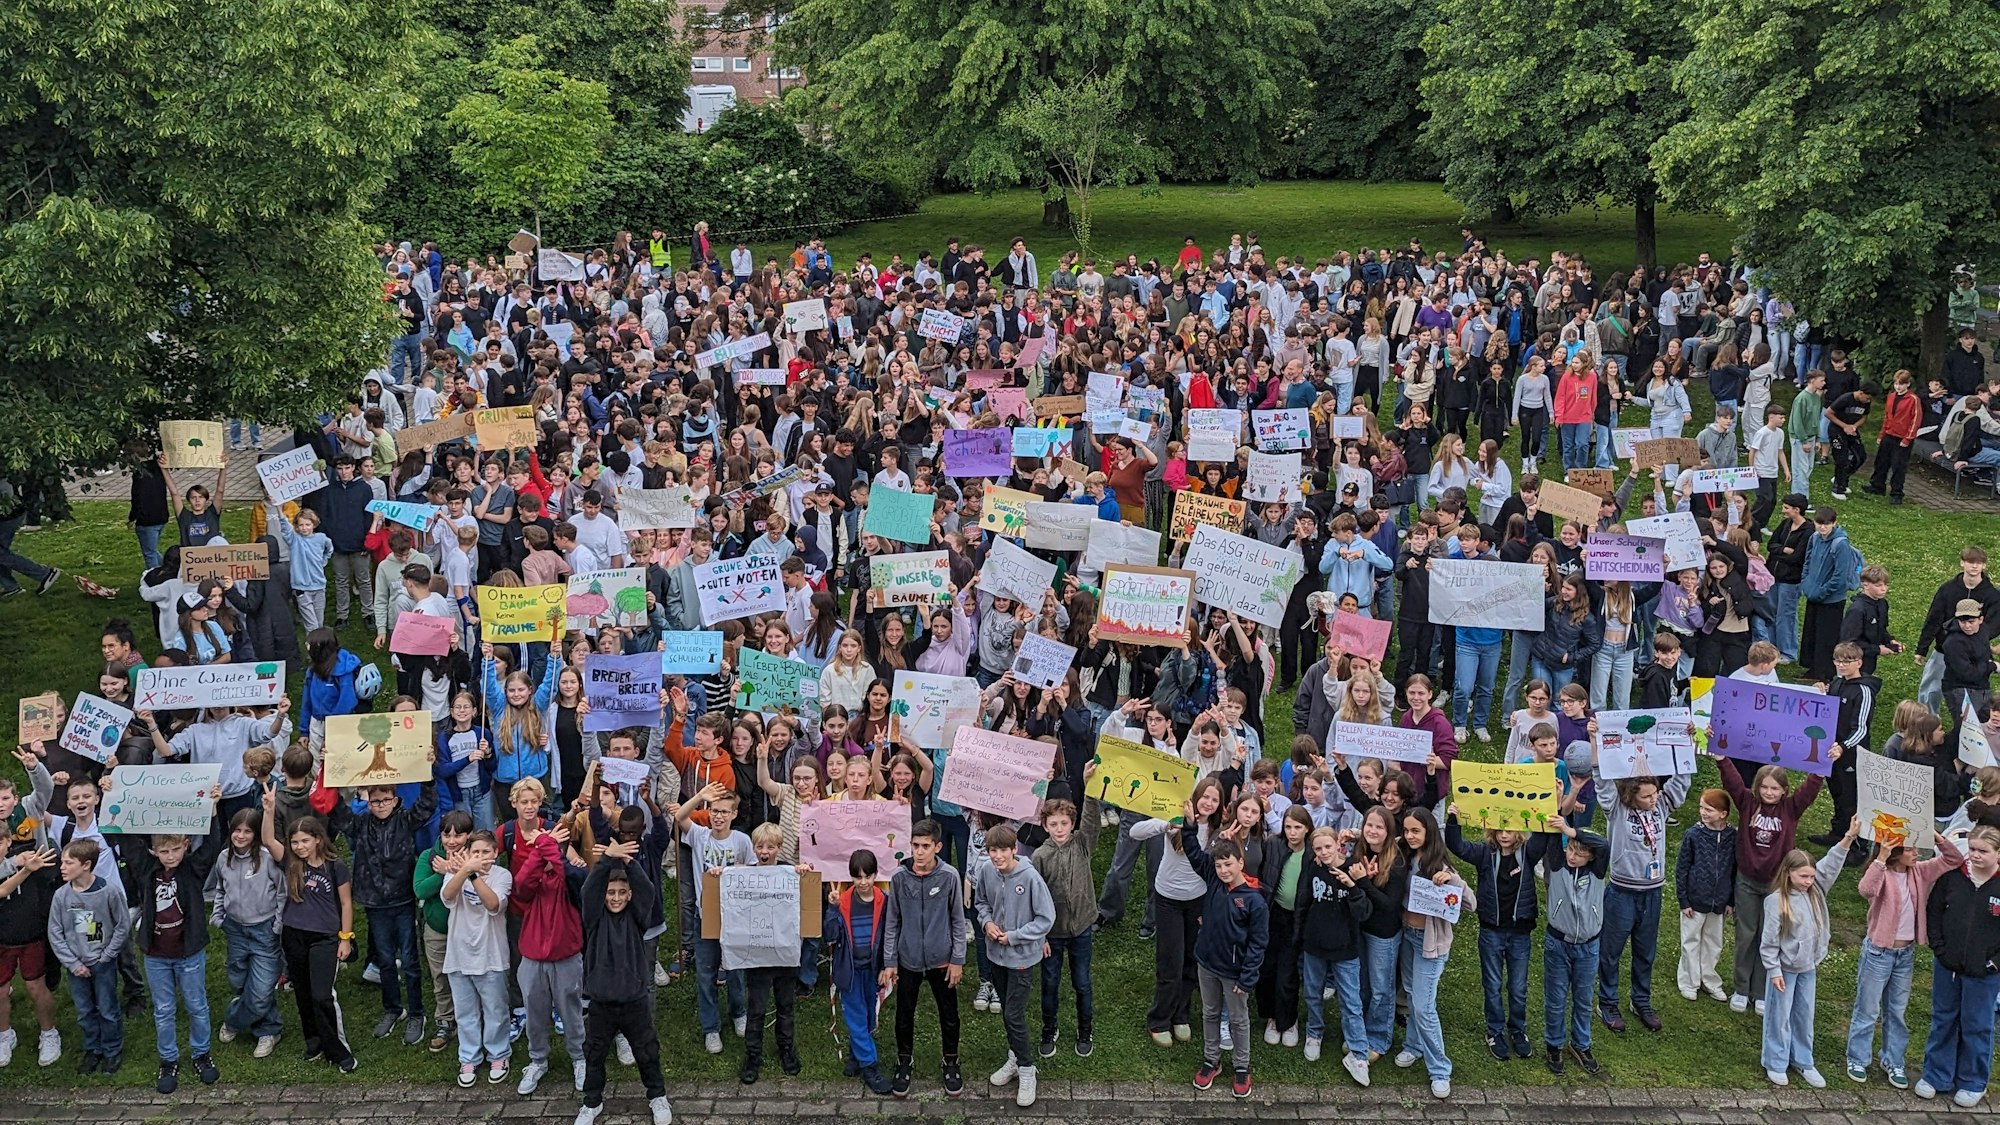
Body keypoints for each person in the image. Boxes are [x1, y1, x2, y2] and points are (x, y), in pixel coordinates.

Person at [1846, 830, 1963, 1088]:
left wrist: (1937, 838)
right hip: (1878, 953)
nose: (1916, 853)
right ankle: (1857, 1058)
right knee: (1868, 1009)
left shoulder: (1919, 872)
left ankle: (1893, 1060)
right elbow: (1865, 889)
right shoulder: (1883, 873)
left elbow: (1953, 859)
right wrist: (1881, 857)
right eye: (1910, 849)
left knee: (1896, 1011)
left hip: (1904, 954)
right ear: (1896, 851)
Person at [258, 790, 358, 1073]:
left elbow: (347, 903)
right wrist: (268, 810)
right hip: (293, 934)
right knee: (302, 993)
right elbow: (267, 840)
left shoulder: (335, 866)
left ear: (317, 839)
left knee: (322, 995)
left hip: (325, 937)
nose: (300, 846)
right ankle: (313, 1041)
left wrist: (345, 938)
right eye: (295, 842)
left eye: (305, 841)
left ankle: (337, 1050)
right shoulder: (291, 862)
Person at [575, 839, 672, 1125]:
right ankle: (591, 1103)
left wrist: (628, 861)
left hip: (634, 1001)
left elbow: (648, 889)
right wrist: (607, 858)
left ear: (629, 896)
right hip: (601, 1002)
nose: (615, 898)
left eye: (621, 893)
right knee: (594, 1055)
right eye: (610, 893)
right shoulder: (593, 917)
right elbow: (588, 890)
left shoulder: (637, 917)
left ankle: (657, 1096)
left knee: (646, 1051)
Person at [1181, 797, 1269, 1100]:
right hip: (1206, 963)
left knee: (1238, 1019)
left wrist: (1247, 977)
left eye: (1228, 864)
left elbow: (1258, 943)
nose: (1222, 870)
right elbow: (1193, 854)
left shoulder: (1255, 900)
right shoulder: (1214, 880)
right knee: (1209, 1013)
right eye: (1218, 865)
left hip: (1235, 974)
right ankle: (1212, 1060)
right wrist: (1190, 826)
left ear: (1240, 863)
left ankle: (1242, 1067)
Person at [1760, 825, 1858, 1087]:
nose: (1809, 881)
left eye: (1812, 876)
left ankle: (1803, 1060)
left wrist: (1847, 838)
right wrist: (1774, 970)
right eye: (1803, 876)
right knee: (1778, 1016)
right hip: (1784, 969)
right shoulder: (1776, 901)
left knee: (1804, 1015)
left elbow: (1831, 865)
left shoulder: (1815, 891)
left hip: (1808, 967)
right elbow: (1769, 942)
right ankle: (1775, 1061)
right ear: (1789, 873)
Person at [882, 817, 969, 1100]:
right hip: (907, 960)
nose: (919, 852)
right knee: (904, 1014)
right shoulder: (898, 878)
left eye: (925, 846)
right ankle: (904, 1060)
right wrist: (890, 961)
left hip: (941, 959)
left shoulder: (949, 876)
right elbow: (892, 921)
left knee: (949, 1015)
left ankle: (951, 1061)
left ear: (938, 847)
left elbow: (958, 920)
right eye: (915, 845)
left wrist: (957, 959)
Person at [1916, 825, 2000, 1107]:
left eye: (1983, 851)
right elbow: (1934, 911)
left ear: (1998, 853)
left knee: (1977, 1026)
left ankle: (1973, 1081)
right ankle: (1936, 1075)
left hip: (1984, 973)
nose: (1974, 855)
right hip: (1948, 966)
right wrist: (1939, 948)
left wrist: (1993, 964)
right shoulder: (1953, 879)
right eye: (1972, 849)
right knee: (1943, 1020)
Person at [973, 823, 1055, 1107]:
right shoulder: (985, 871)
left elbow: (1045, 919)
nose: (997, 856)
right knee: (1008, 1011)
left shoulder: (1030, 877)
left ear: (1014, 849)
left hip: (1021, 957)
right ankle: (1014, 1055)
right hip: (995, 955)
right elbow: (980, 902)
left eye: (1002, 850)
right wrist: (987, 923)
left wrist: (1015, 937)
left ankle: (1026, 1069)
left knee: (1014, 1014)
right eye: (992, 850)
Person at [47, 839, 130, 1076]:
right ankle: (93, 1049)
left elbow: (122, 926)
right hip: (76, 966)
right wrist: (73, 964)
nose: (61, 867)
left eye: (68, 862)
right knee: (84, 1010)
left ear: (86, 865)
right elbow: (55, 932)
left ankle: (112, 1050)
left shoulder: (109, 892)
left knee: (107, 1008)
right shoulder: (61, 896)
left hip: (103, 963)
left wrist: (107, 956)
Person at [1537, 818, 1608, 1077]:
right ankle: (1553, 1044)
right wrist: (1559, 814)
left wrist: (1572, 832)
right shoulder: (1557, 866)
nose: (1573, 856)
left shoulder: (1598, 871)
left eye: (1580, 853)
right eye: (1570, 849)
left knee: (1583, 999)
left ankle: (1581, 1044)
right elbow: (1553, 835)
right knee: (1556, 1000)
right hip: (1558, 944)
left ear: (1591, 857)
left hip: (1588, 946)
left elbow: (1604, 843)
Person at [826, 849, 894, 1095]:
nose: (863, 882)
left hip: (874, 969)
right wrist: (832, 910)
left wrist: (888, 965)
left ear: (876, 874)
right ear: (851, 878)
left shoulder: (884, 901)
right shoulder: (842, 901)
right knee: (855, 1017)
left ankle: (856, 1055)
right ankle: (870, 1066)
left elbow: (890, 936)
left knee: (868, 1017)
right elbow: (830, 935)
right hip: (850, 970)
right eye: (858, 878)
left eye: (868, 876)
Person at [1674, 789, 1736, 1003]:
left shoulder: (1732, 836)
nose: (1703, 812)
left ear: (1723, 813)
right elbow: (1682, 868)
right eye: (1701, 807)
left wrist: (1731, 900)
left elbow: (1734, 869)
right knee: (1690, 940)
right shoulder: (1693, 834)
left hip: (1719, 901)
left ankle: (1710, 980)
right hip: (1694, 900)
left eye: (1709, 809)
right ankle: (1689, 981)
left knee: (1713, 942)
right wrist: (1683, 899)